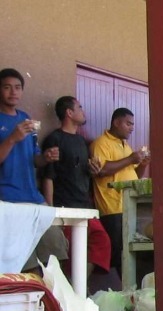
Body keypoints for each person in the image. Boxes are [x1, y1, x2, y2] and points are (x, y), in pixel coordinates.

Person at [0, 67, 68, 272]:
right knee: (23, 261)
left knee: (55, 251)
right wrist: (12, 138)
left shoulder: (25, 118)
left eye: (18, 87)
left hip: (33, 196)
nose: (13, 92)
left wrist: (45, 158)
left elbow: (33, 160)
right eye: (7, 87)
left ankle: (54, 300)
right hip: (8, 198)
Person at [41, 96, 112, 278]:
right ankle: (72, 292)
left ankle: (80, 285)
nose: (83, 111)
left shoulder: (81, 141)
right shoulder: (54, 139)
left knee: (101, 241)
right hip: (65, 207)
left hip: (85, 206)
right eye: (79, 107)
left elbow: (84, 170)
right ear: (69, 113)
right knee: (70, 252)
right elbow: (48, 176)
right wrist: (51, 211)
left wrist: (92, 169)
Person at [90, 107, 149, 274]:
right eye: (128, 124)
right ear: (116, 122)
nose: (132, 127)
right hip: (112, 207)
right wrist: (131, 158)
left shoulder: (125, 146)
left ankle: (132, 287)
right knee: (119, 254)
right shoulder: (101, 143)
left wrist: (143, 164)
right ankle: (121, 288)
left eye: (133, 124)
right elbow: (101, 170)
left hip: (129, 205)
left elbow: (135, 175)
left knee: (131, 251)